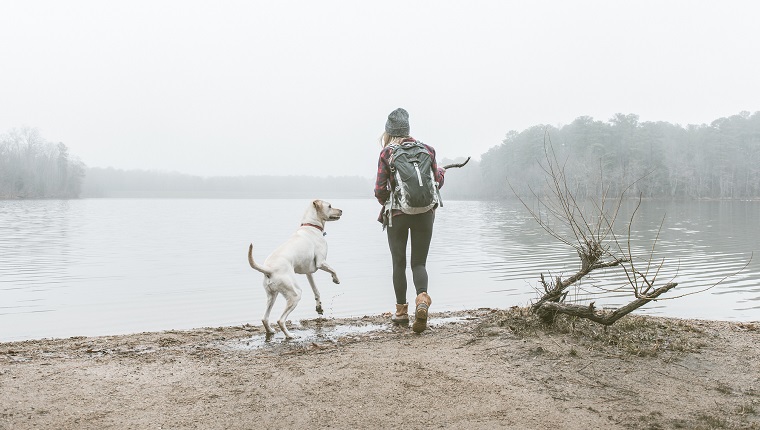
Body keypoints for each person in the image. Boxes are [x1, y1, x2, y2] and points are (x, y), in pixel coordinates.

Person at [374, 108, 445, 333]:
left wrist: (389, 201)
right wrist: (441, 172)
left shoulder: (387, 153)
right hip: (425, 213)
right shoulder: (428, 149)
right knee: (419, 263)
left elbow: (379, 190)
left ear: (389, 132)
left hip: (397, 215)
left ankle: (401, 313)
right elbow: (437, 182)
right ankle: (422, 299)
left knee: (399, 263)